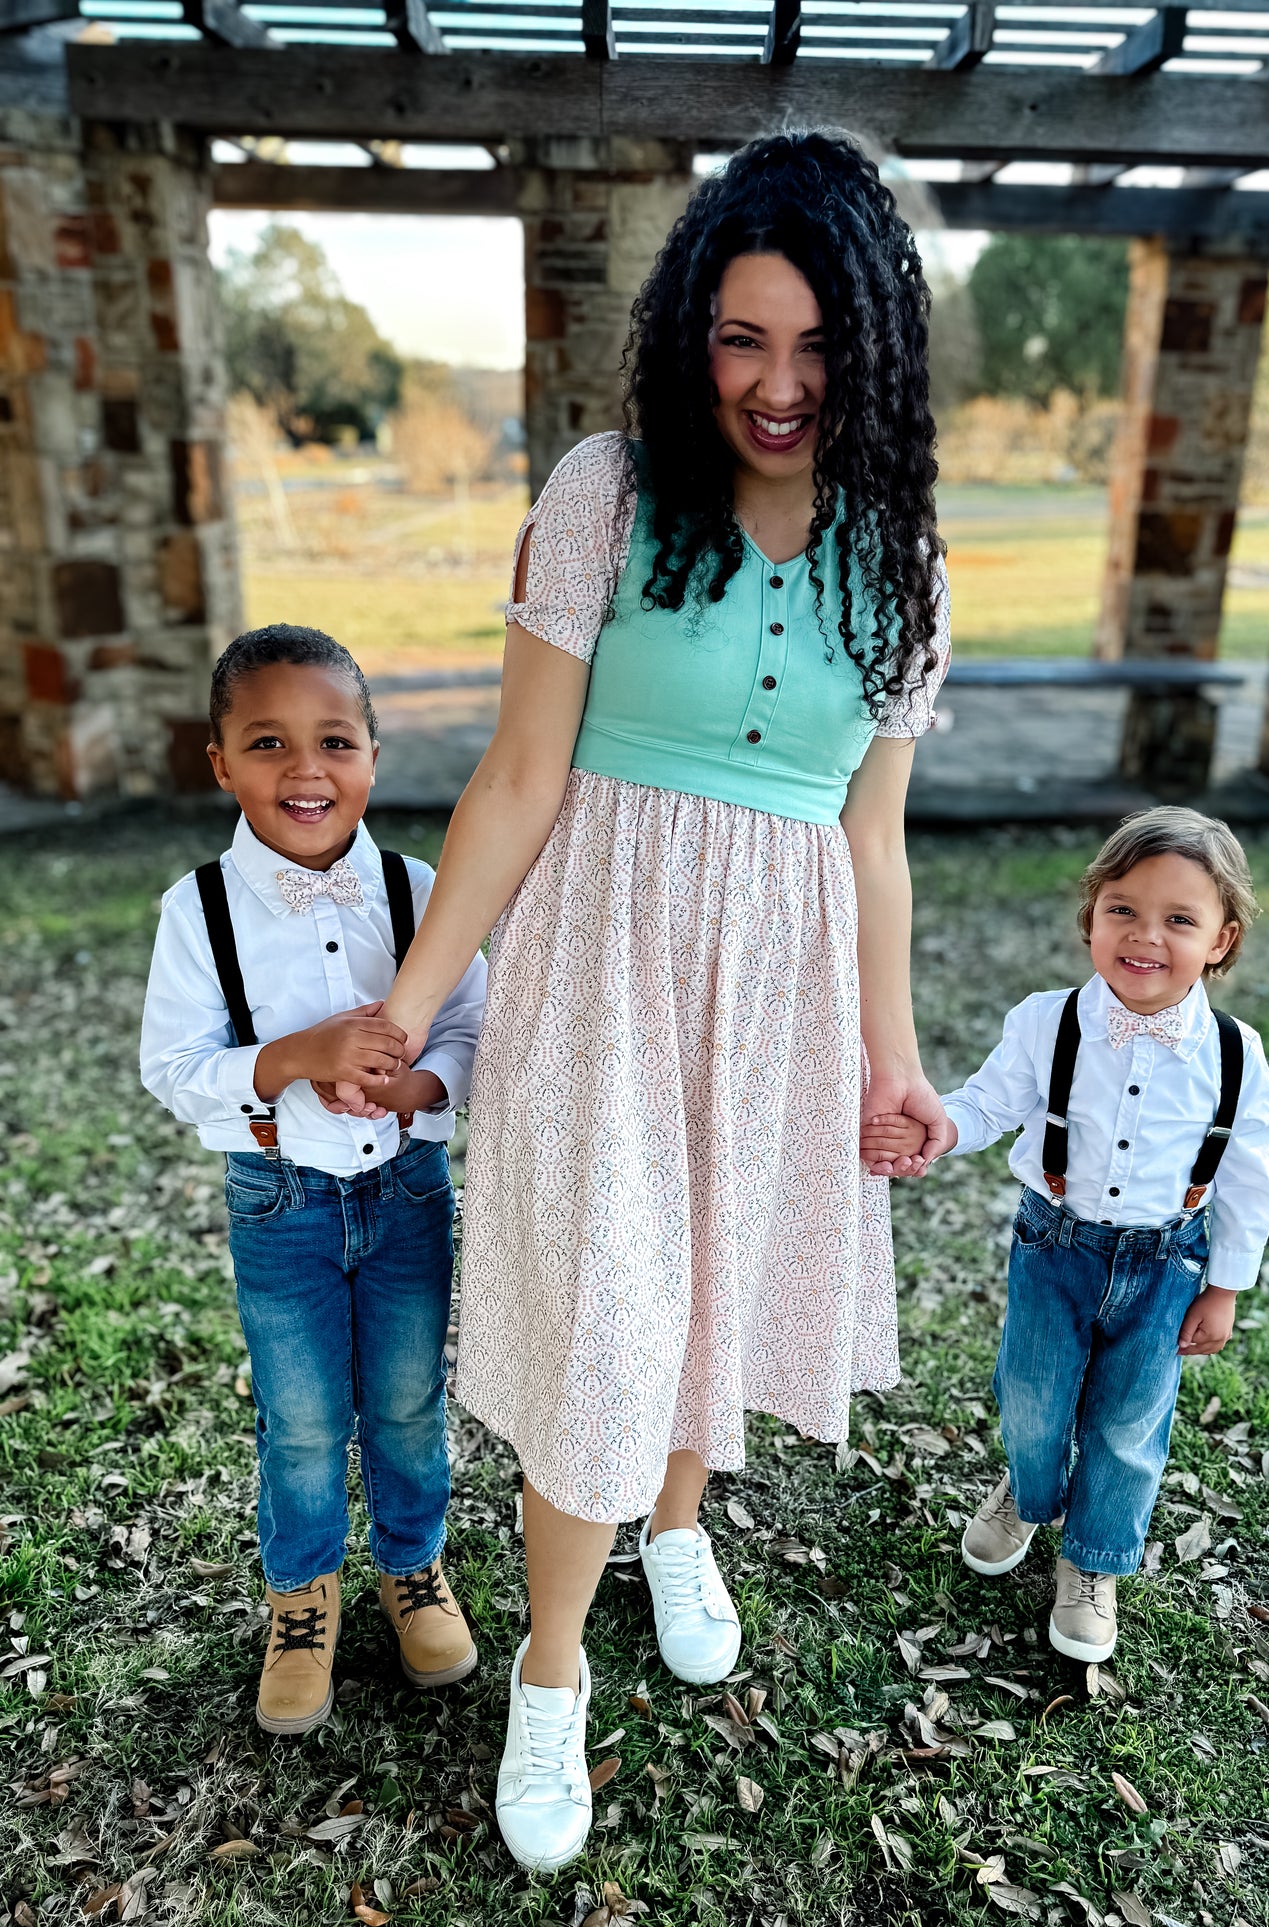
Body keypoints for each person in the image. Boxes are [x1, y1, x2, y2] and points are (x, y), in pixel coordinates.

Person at [327, 132, 953, 1867]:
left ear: (874, 352)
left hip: (784, 988)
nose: (775, 384)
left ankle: (680, 1526)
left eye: (816, 348)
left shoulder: (905, 557)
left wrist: (886, 1062)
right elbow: (523, 776)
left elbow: (874, 840)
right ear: (692, 334)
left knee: (714, 1278)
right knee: (611, 1310)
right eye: (742, 339)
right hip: (605, 962)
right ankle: (550, 1674)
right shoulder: (608, 492)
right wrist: (413, 1002)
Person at [140, 625, 487, 1735]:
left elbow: (476, 1029)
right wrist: (297, 1056)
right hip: (277, 1203)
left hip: (407, 1196)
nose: (305, 769)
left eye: (334, 740)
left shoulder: (419, 886)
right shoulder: (196, 909)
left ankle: (413, 1566)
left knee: (404, 1398)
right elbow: (175, 1070)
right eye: (267, 742)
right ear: (220, 762)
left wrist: (416, 1090)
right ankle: (302, 1599)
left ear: (374, 755)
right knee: (297, 1419)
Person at [861, 806, 1269, 1664]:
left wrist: (1226, 1283)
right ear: (1089, 915)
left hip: (1166, 1262)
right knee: (1031, 1397)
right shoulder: (1045, 1020)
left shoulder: (1235, 1055)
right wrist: (941, 1125)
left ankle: (1092, 1561)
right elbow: (990, 1101)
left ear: (1221, 939)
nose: (1144, 934)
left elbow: (1252, 1174)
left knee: (1129, 1421)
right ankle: (1027, 1490)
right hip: (1053, 1247)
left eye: (1178, 919)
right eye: (1122, 908)